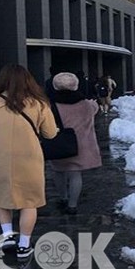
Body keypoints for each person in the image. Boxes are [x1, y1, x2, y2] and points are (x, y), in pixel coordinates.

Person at [0, 64, 57, 258]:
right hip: (29, 159)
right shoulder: (38, 103)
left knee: (0, 198)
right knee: (29, 201)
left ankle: (8, 235)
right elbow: (50, 133)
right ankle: (24, 244)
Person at [49, 72, 101, 215]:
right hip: (81, 145)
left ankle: (63, 197)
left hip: (58, 143)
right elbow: (95, 109)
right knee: (75, 174)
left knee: (58, 171)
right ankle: (73, 205)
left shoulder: (50, 104)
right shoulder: (86, 104)